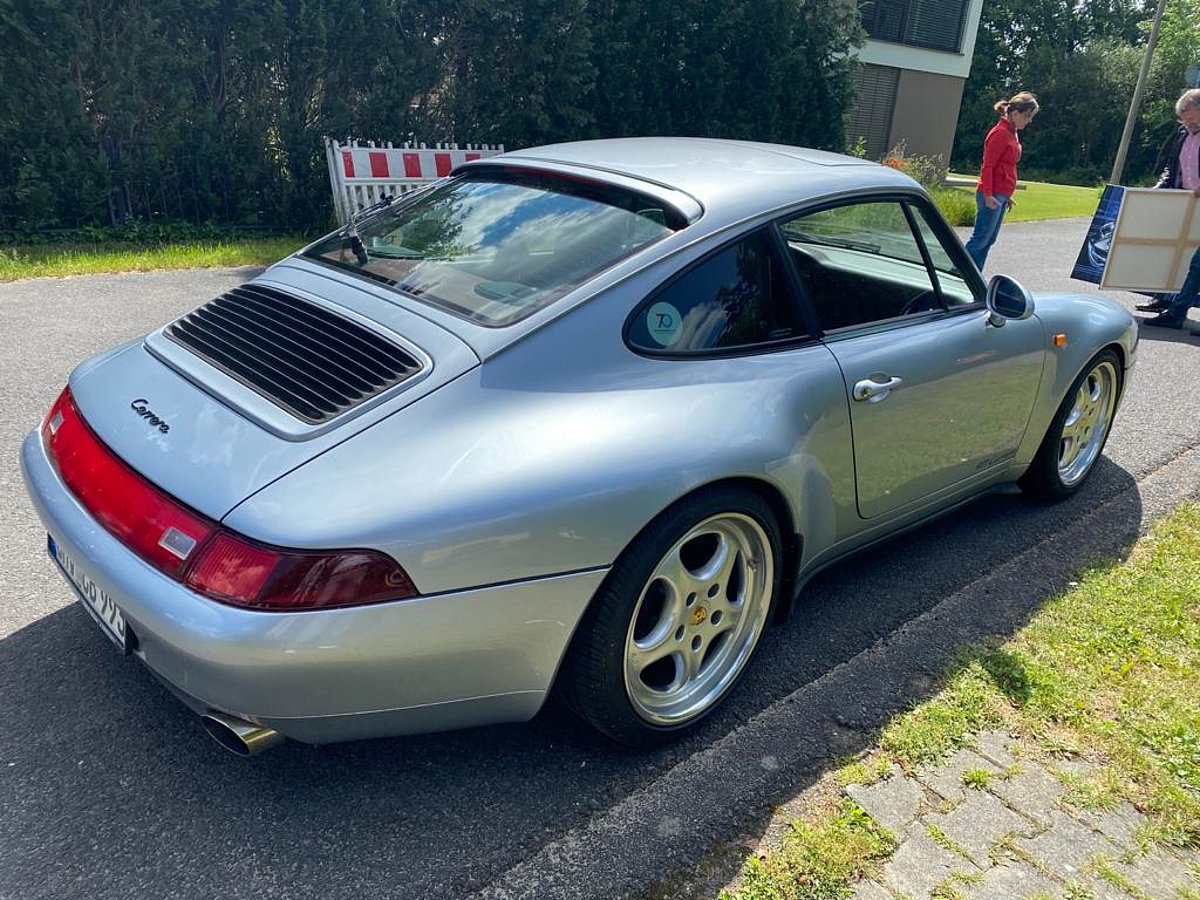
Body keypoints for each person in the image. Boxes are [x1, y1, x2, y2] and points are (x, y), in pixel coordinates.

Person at [1139, 88, 1200, 327]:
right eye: (1184, 120)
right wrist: (1161, 187)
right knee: (1174, 253)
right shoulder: (1183, 133)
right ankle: (1167, 300)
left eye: (1193, 119)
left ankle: (1177, 313)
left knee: (1196, 262)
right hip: (1184, 202)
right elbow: (1171, 166)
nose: (1189, 124)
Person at [964, 92, 1040, 270]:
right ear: (1015, 114)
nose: (1029, 121)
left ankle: (974, 278)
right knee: (980, 239)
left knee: (989, 240)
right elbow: (988, 166)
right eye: (1028, 116)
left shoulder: (1012, 133)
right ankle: (955, 274)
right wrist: (989, 195)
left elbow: (1006, 166)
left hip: (1001, 194)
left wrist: (1006, 195)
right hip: (991, 194)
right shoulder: (999, 133)